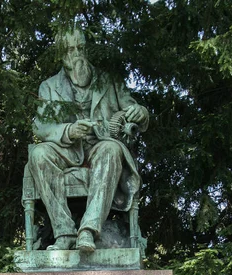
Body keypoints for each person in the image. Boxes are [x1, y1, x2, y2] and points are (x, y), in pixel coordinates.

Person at [28, 28, 149, 252]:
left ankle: (88, 231)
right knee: (38, 154)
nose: (77, 54)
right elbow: (42, 126)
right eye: (71, 49)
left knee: (112, 149)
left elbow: (133, 107)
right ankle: (64, 233)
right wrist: (69, 130)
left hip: (100, 144)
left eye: (80, 48)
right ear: (62, 54)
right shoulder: (49, 86)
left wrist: (140, 112)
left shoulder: (108, 80)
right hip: (67, 148)